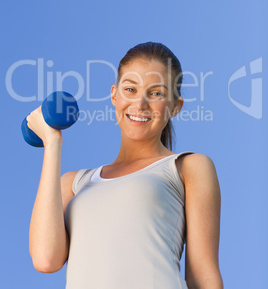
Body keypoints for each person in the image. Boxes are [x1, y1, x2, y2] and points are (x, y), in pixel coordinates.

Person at [27, 42, 223, 288]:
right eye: (130, 89)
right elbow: (46, 260)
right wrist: (52, 142)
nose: (140, 104)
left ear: (175, 106)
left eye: (156, 93)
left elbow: (203, 277)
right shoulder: (74, 183)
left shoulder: (188, 166)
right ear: (114, 95)